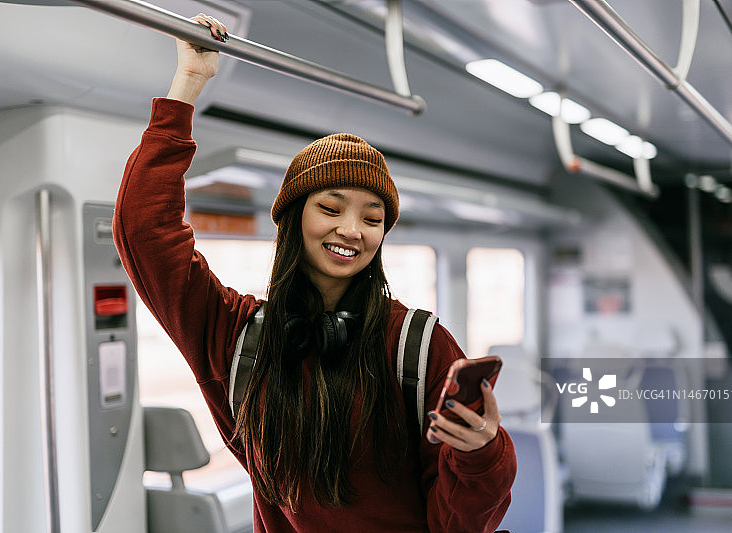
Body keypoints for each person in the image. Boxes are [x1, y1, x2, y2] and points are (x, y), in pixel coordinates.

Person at [113, 13, 516, 533]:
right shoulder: (240, 339)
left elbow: (458, 524)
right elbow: (144, 232)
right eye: (331, 208)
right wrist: (187, 86)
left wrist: (482, 453)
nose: (353, 230)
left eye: (373, 219)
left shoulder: (417, 347)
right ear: (292, 217)